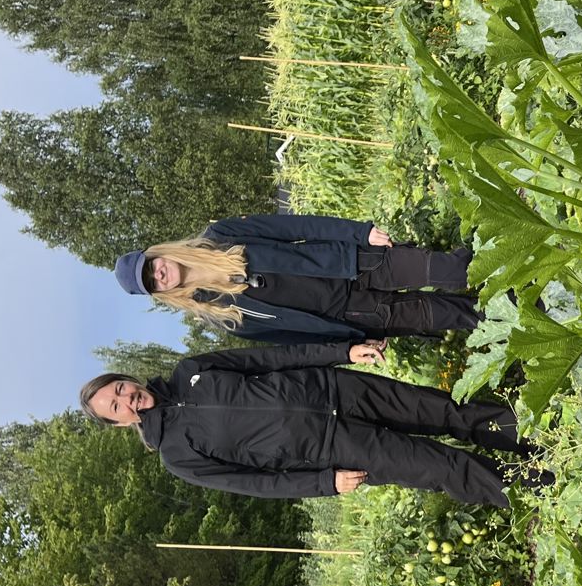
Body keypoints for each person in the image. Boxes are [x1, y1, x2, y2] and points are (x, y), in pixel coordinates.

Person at [79, 340, 534, 507]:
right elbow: (257, 484)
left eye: (119, 389)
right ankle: (540, 486)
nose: (126, 399)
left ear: (126, 378)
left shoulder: (190, 370)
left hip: (337, 390)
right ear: (119, 424)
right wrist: (325, 483)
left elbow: (271, 357)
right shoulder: (177, 456)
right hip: (334, 449)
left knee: (448, 411)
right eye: (115, 407)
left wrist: (342, 353)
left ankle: (541, 438)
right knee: (442, 468)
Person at [112, 213, 479, 346]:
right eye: (151, 282)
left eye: (151, 265)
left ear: (157, 253)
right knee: (452, 315)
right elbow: (291, 338)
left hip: (352, 263)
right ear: (160, 292)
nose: (157, 274)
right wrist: (351, 344)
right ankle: (527, 307)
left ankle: (524, 268)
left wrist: (358, 233)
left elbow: (291, 227)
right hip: (354, 313)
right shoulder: (219, 313)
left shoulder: (219, 236)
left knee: (452, 270)